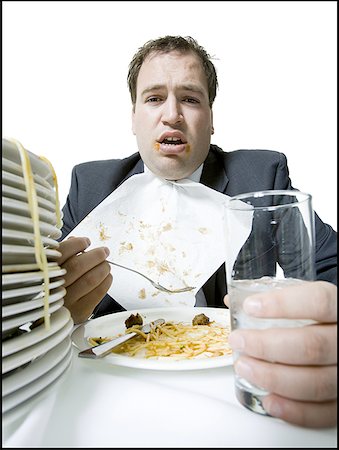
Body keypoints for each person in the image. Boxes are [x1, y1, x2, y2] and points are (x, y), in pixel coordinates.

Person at [57, 35, 337, 428]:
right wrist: (58, 308)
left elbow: (328, 266)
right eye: (154, 98)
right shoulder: (91, 185)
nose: (171, 114)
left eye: (190, 98)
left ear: (211, 117)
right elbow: (42, 300)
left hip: (230, 385)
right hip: (111, 386)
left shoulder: (259, 176)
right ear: (133, 116)